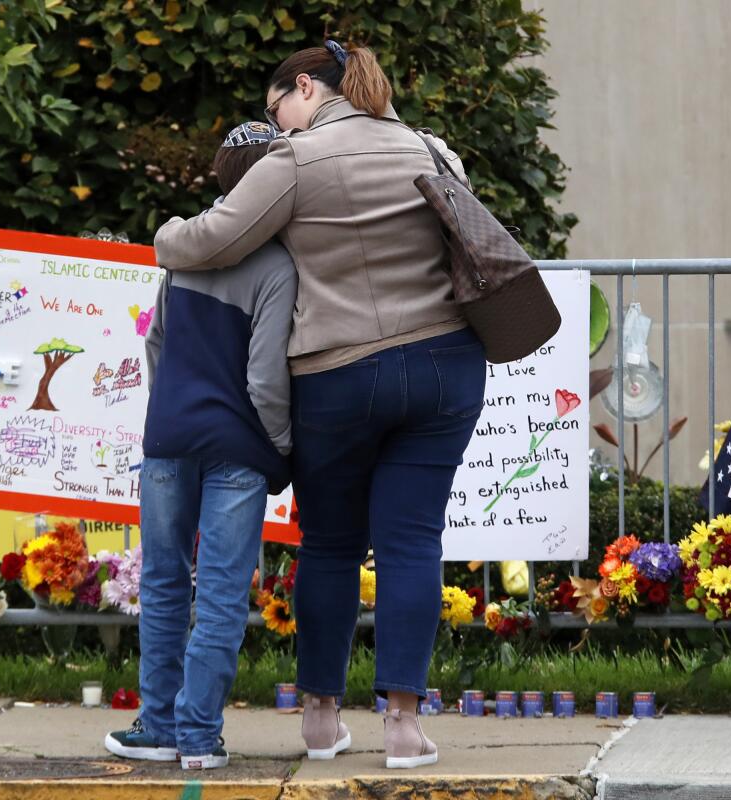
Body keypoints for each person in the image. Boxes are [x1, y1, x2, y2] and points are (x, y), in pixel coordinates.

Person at [153, 41, 485, 769]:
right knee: (411, 542)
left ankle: (321, 719)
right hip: (444, 366)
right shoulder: (432, 149)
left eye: (279, 111)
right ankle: (402, 728)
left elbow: (213, 240)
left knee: (331, 544)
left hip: (337, 375)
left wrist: (162, 236)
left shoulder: (295, 162)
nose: (280, 128)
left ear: (306, 86)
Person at [105, 121, 297, 771]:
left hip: (168, 438)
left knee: (162, 582)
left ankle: (156, 725)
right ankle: (198, 735)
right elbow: (267, 377)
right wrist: (281, 449)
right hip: (237, 448)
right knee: (218, 592)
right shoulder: (276, 265)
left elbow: (155, 342)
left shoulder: (181, 250)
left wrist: (169, 409)